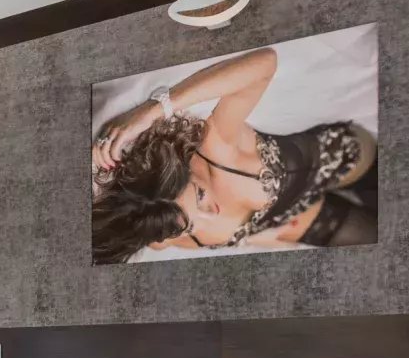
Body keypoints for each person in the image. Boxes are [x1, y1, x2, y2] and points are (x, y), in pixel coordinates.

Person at [91, 45, 378, 263]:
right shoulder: (159, 235)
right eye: (189, 227)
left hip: (343, 158)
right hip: (304, 219)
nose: (212, 213)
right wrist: (260, 238)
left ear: (182, 170)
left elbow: (265, 62)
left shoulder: (217, 147)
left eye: (200, 195)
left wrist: (155, 109)